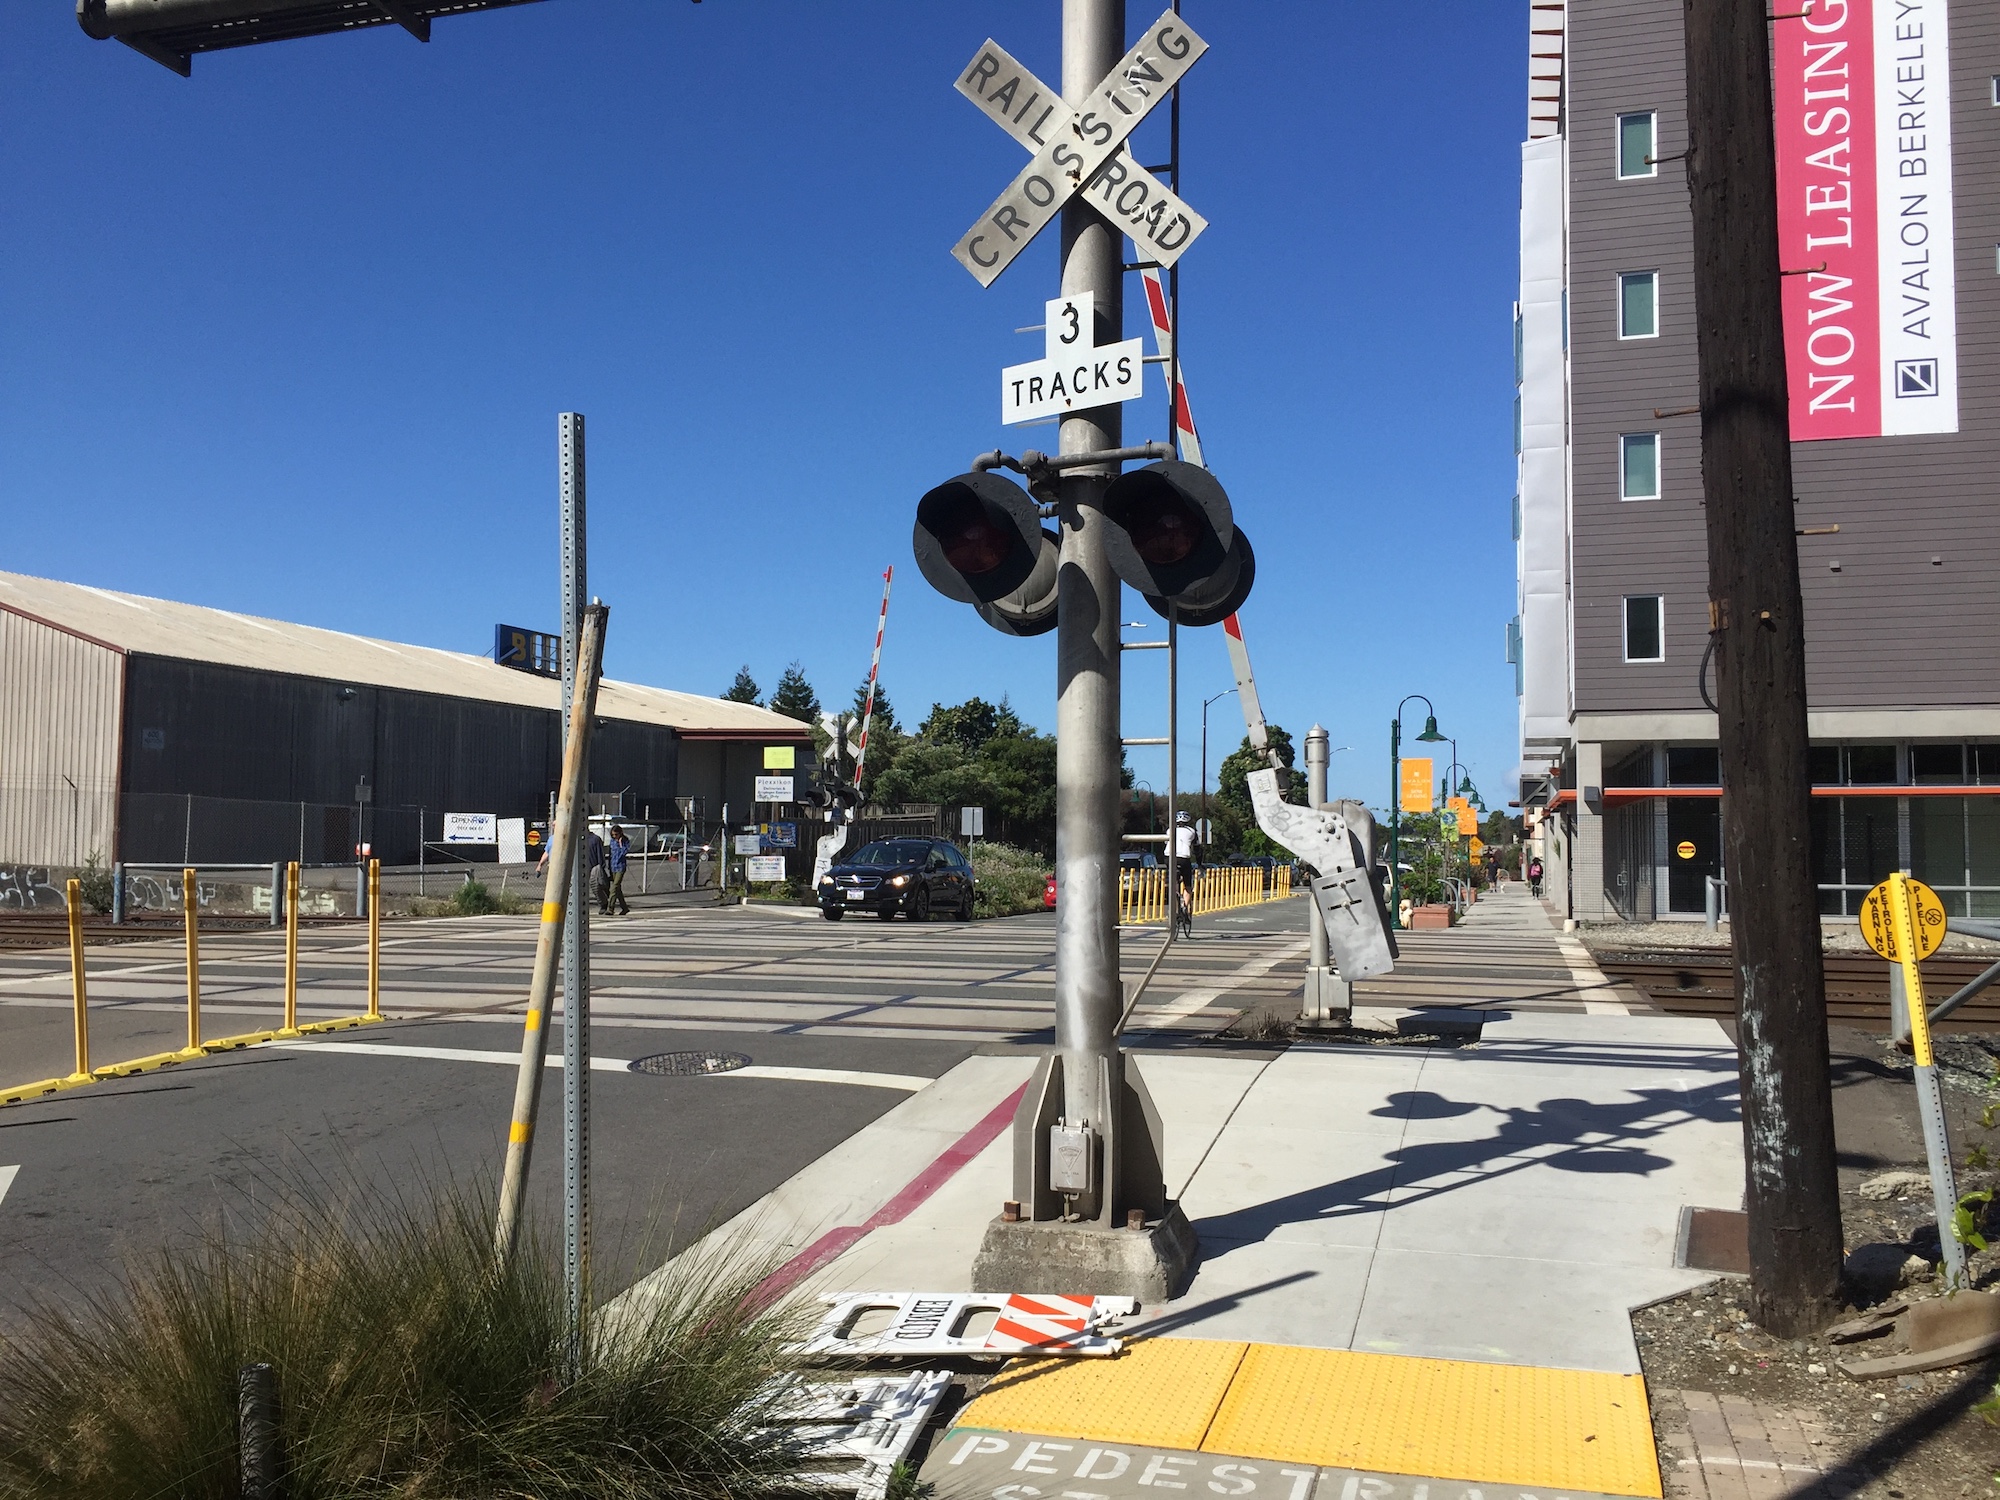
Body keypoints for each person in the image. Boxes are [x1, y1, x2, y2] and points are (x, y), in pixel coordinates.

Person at [1172, 810, 1198, 924]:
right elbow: (1197, 849)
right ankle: (1185, 908)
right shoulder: (1192, 831)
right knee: (1188, 885)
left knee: (1173, 882)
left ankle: (1175, 901)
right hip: (1184, 858)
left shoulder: (1170, 830)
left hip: (1169, 857)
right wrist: (1200, 863)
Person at [606, 824, 632, 916]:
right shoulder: (612, 842)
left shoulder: (625, 841)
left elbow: (625, 852)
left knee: (614, 887)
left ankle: (610, 908)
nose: (614, 836)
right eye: (613, 835)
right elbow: (610, 854)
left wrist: (620, 843)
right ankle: (624, 907)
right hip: (613, 866)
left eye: (616, 834)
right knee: (617, 889)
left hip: (620, 867)